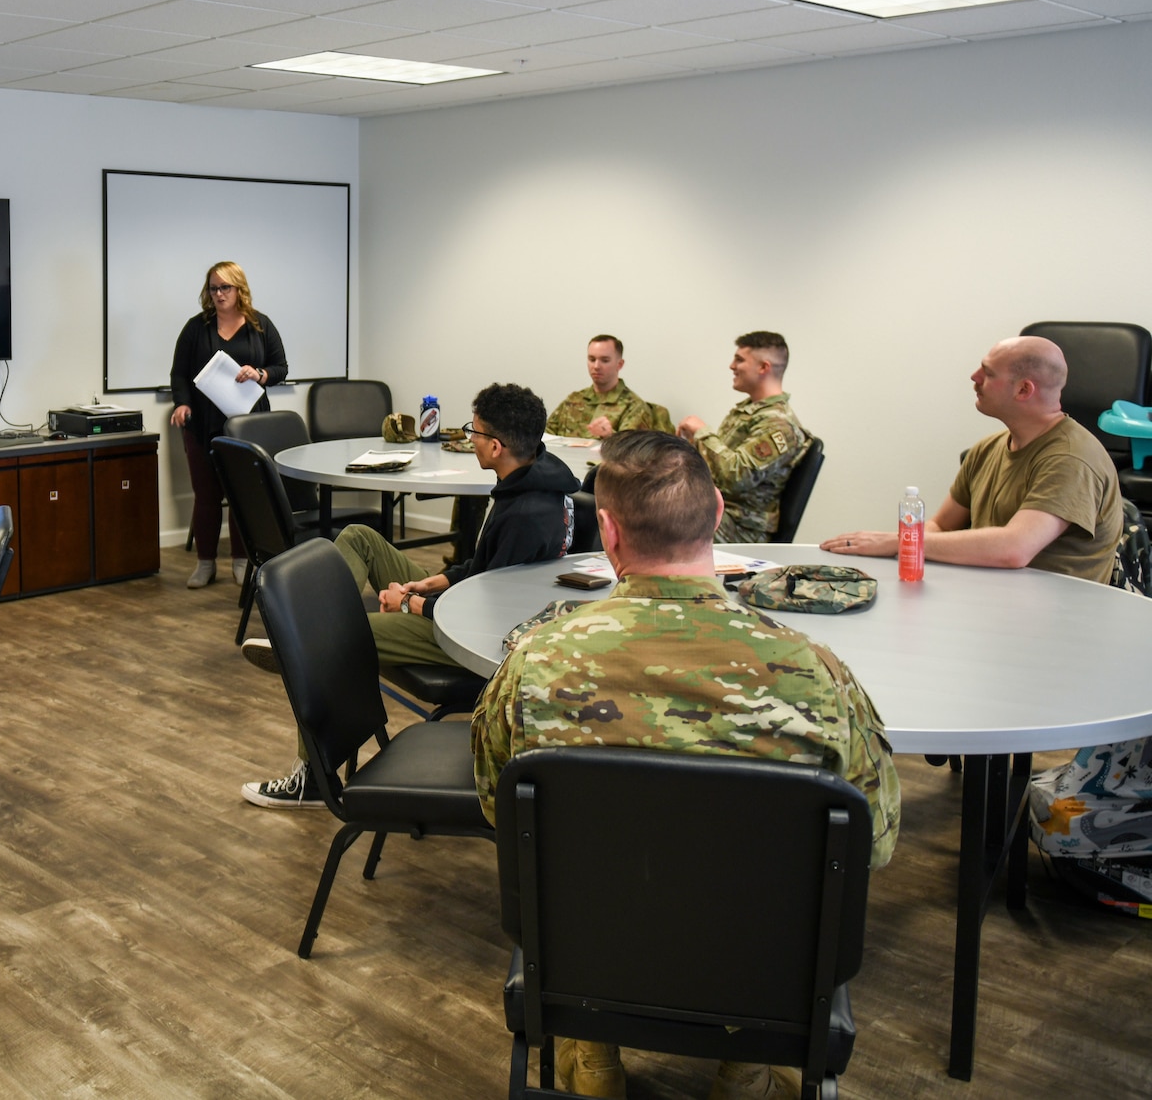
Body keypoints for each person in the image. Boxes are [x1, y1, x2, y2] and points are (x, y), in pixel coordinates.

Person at [473, 430, 899, 1100]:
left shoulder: (534, 665)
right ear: (718, 512)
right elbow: (874, 837)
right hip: (764, 971)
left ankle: (593, 1058)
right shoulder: (817, 676)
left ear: (607, 531)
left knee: (583, 868)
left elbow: (499, 809)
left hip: (588, 959)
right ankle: (744, 1067)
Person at [241, 384, 579, 808]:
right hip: (468, 603)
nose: (467, 437)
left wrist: (411, 605)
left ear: (495, 446)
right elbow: (483, 572)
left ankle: (310, 771)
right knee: (361, 537)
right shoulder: (533, 475)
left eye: (473, 431)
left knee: (337, 640)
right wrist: (431, 583)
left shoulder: (528, 515)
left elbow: (485, 612)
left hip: (474, 637)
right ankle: (303, 636)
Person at [823, 335, 1123, 582]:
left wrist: (895, 542)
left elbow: (1014, 548)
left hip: (1061, 626)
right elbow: (941, 525)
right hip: (995, 602)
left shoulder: (1071, 459)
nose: (974, 377)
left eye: (988, 373)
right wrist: (901, 554)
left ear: (1023, 389)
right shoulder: (987, 449)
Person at [168, 262, 289, 590]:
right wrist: (182, 403)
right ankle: (205, 564)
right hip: (203, 425)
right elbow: (179, 373)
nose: (219, 294)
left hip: (248, 426)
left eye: (225, 288)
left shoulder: (260, 325)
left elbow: (281, 367)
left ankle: (241, 561)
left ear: (239, 289)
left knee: (244, 494)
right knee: (206, 496)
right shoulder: (197, 327)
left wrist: (259, 374)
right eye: (213, 288)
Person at [676, 331, 809, 544]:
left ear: (764, 367)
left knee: (657, 526)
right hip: (717, 510)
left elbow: (736, 477)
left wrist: (703, 432)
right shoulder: (749, 411)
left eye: (739, 360)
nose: (731, 366)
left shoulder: (779, 424)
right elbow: (720, 467)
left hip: (742, 529)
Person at [545, 334, 673, 438]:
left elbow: (632, 452)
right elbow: (546, 435)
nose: (596, 366)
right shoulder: (573, 400)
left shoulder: (634, 407)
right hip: (565, 467)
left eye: (604, 360)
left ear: (620, 364)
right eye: (592, 359)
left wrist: (610, 435)